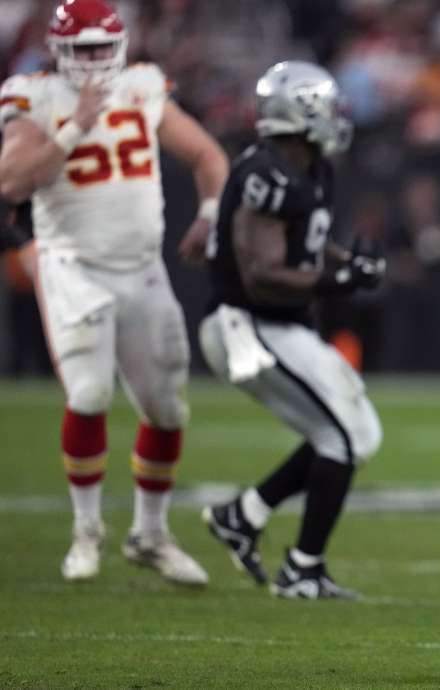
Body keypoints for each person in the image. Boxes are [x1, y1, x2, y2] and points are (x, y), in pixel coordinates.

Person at [0, 0, 228, 585]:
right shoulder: (34, 96)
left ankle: (149, 534)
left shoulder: (143, 85)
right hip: (73, 264)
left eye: (106, 47)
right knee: (90, 392)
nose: (99, 60)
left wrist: (207, 213)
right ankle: (86, 531)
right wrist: (75, 123)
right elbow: (12, 181)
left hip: (142, 267)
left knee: (168, 407)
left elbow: (207, 154)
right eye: (86, 49)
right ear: (60, 51)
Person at [198, 61, 385, 600]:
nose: (336, 118)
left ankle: (245, 514)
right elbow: (260, 273)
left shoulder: (311, 168)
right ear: (297, 114)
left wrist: (348, 263)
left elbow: (309, 241)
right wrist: (336, 278)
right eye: (326, 107)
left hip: (280, 325)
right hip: (245, 323)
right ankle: (302, 569)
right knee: (344, 435)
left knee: (358, 433)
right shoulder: (265, 173)